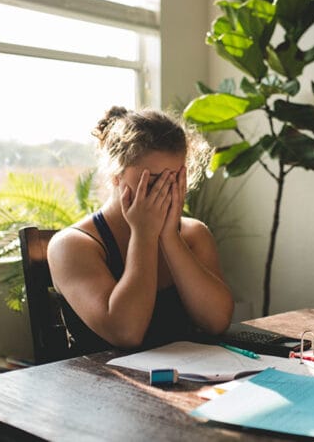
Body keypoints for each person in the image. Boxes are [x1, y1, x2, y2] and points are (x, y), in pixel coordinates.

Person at [47, 106, 233, 354]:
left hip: (188, 381)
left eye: (175, 179)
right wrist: (144, 235)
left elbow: (216, 322)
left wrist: (169, 237)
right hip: (102, 386)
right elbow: (126, 333)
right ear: (116, 175)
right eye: (153, 180)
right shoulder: (71, 245)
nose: (165, 191)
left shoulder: (193, 235)